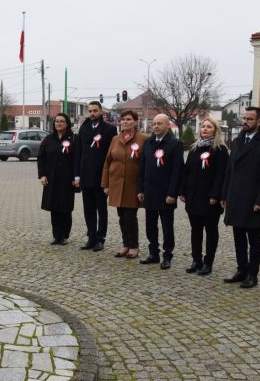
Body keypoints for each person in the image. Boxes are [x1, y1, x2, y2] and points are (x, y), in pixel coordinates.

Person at [220, 106, 260, 288]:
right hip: (235, 196)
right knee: (238, 236)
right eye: (244, 118)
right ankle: (241, 269)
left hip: (253, 199)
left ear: (259, 121)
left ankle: (253, 274)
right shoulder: (237, 141)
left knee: (253, 238)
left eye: (250, 119)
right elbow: (229, 170)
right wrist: (224, 194)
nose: (245, 122)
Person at [179, 117, 229, 276]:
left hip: (209, 199)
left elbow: (221, 174)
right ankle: (196, 260)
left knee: (211, 231)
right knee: (196, 230)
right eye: (203, 127)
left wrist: (215, 194)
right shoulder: (194, 148)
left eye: (209, 127)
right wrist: (182, 191)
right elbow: (186, 171)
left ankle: (208, 262)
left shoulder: (220, 150)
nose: (205, 129)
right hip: (193, 197)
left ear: (216, 130)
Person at [137, 114, 183, 269]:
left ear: (167, 125)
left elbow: (177, 170)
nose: (156, 126)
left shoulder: (175, 144)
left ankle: (167, 255)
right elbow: (142, 168)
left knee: (166, 226)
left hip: (166, 194)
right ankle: (153, 253)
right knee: (150, 225)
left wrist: (172, 193)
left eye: (159, 123)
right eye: (154, 123)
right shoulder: (148, 143)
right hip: (149, 192)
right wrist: (140, 189)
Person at [102, 110, 148, 259]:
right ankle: (125, 244)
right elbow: (107, 163)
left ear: (135, 121)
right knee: (121, 215)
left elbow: (147, 163)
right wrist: (106, 184)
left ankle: (134, 246)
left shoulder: (143, 139)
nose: (125, 122)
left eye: (129, 119)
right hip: (116, 183)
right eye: (123, 119)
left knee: (130, 216)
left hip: (133, 185)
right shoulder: (115, 139)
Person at [76, 101, 118, 252]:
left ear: (101, 112)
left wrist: (109, 177)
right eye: (90, 111)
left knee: (101, 209)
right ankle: (91, 237)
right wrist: (77, 175)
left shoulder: (110, 129)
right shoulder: (84, 128)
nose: (92, 113)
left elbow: (112, 154)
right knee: (89, 209)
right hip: (86, 175)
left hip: (101, 176)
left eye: (95, 110)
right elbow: (78, 152)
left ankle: (100, 239)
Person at [38, 113, 79, 245]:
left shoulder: (73, 138)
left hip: (67, 179)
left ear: (67, 124)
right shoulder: (48, 139)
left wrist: (76, 177)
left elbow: (77, 160)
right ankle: (56, 235)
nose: (59, 123)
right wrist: (42, 175)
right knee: (54, 208)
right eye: (57, 121)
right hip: (52, 179)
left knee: (65, 208)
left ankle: (64, 236)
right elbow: (41, 158)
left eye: (62, 121)